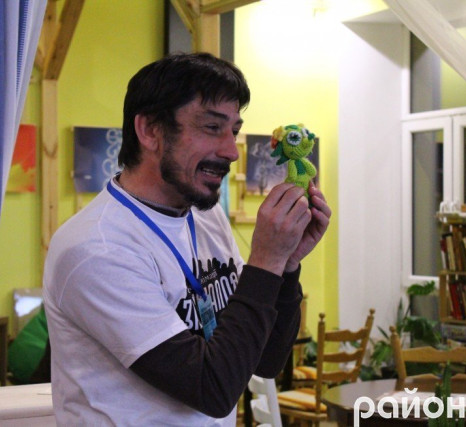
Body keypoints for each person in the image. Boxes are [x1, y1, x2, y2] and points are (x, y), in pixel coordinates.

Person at [43, 52, 332, 426]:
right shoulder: (97, 249)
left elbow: (264, 361)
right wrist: (266, 260)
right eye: (212, 127)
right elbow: (212, 390)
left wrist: (286, 264)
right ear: (150, 131)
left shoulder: (206, 216)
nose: (230, 151)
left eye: (234, 131)